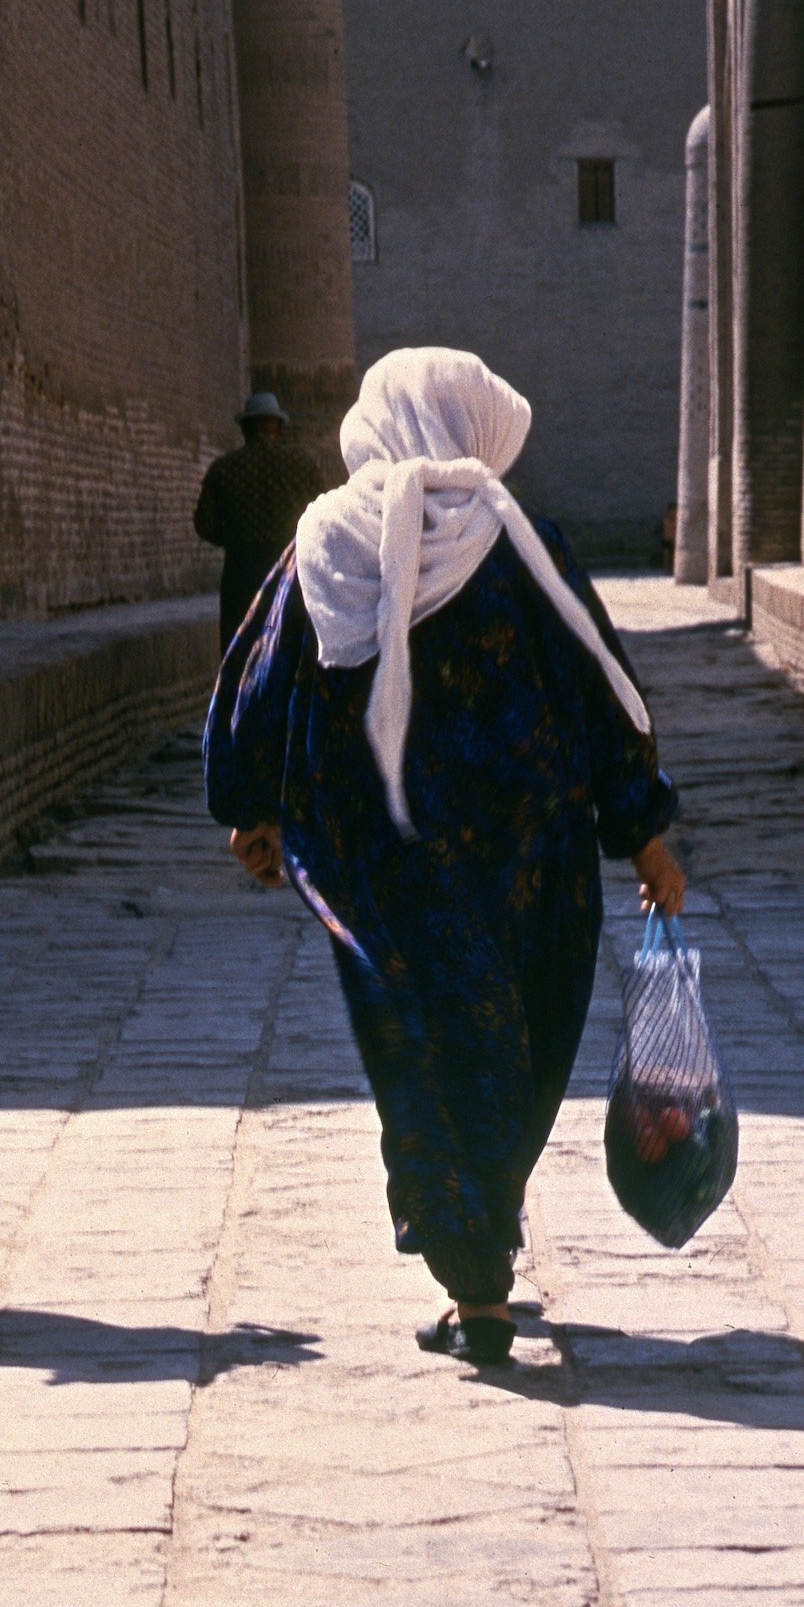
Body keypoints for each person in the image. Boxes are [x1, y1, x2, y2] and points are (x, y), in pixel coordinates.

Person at [204, 346, 684, 1368]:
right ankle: (481, 1264)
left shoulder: (327, 543)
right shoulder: (522, 543)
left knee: (419, 1045)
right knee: (518, 1041)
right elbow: (599, 687)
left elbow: (262, 675)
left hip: (388, 859)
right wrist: (638, 828)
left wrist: (250, 808)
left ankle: (473, 1270)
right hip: (532, 862)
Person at [194, 390, 331, 649]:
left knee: (241, 645)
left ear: (245, 428)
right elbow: (324, 517)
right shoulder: (304, 465)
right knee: (288, 644)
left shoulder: (224, 468)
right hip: (291, 569)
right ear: (278, 427)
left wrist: (235, 537)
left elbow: (204, 524)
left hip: (241, 570)